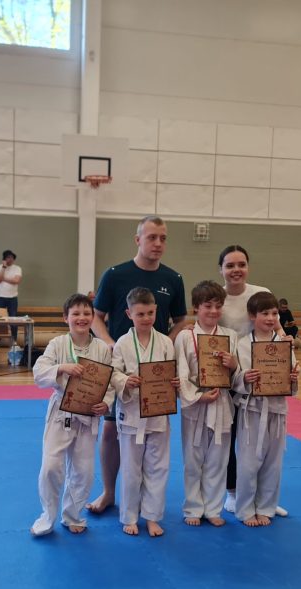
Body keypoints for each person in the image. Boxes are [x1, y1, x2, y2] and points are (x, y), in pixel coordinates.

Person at [86, 216, 188, 515]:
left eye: (163, 238)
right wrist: (109, 342)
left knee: (154, 436)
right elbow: (96, 316)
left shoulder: (173, 278)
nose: (158, 243)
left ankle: (146, 501)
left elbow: (181, 320)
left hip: (156, 373)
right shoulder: (115, 274)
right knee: (110, 431)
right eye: (152, 237)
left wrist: (165, 348)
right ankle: (108, 492)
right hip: (122, 365)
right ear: (138, 239)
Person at [30, 294, 116, 536]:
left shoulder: (101, 348)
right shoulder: (57, 344)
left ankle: (73, 515)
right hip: (61, 413)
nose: (81, 318)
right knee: (50, 467)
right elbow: (38, 373)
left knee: (84, 471)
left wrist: (106, 403)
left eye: (87, 313)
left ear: (94, 317)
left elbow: (109, 382)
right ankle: (47, 516)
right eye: (75, 313)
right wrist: (61, 367)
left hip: (88, 415)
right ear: (65, 318)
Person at [217, 245, 288, 516]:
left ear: (248, 266)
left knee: (264, 441)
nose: (236, 270)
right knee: (232, 438)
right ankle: (233, 492)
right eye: (230, 265)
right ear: (221, 269)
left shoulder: (260, 292)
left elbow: (275, 325)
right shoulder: (218, 296)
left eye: (241, 264)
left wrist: (285, 344)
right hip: (226, 373)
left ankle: (264, 497)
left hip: (261, 373)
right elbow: (207, 320)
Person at [111, 287, 178, 537]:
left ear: (156, 311)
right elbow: (114, 373)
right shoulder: (122, 342)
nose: (146, 318)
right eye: (140, 314)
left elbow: (172, 372)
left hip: (159, 413)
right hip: (131, 414)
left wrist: (175, 383)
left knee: (158, 467)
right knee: (131, 468)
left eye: (150, 313)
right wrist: (125, 381)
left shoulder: (166, 342)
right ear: (129, 314)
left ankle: (152, 517)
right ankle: (129, 515)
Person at [232, 291, 301, 526]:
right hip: (251, 411)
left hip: (277, 410)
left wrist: (293, 378)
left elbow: (292, 377)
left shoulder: (284, 344)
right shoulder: (242, 344)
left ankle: (266, 507)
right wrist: (244, 378)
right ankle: (245, 509)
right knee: (248, 463)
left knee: (274, 462)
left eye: (274, 313)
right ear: (252, 316)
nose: (271, 318)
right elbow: (234, 379)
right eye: (265, 313)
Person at [175, 281, 238, 527]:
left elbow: (239, 376)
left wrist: (233, 365)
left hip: (221, 403)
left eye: (218, 306)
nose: (213, 311)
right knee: (193, 459)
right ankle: (193, 507)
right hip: (195, 404)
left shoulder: (230, 336)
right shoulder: (185, 336)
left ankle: (213, 508)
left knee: (218, 459)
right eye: (208, 306)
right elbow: (180, 372)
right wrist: (197, 396)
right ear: (196, 308)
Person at [0, 249, 22, 345]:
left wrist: (4, 278)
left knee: (13, 319)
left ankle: (14, 340)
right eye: (8, 257)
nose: (10, 259)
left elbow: (17, 281)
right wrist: (3, 267)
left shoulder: (17, 268)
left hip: (12, 298)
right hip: (0, 297)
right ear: (4, 259)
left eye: (12, 257)